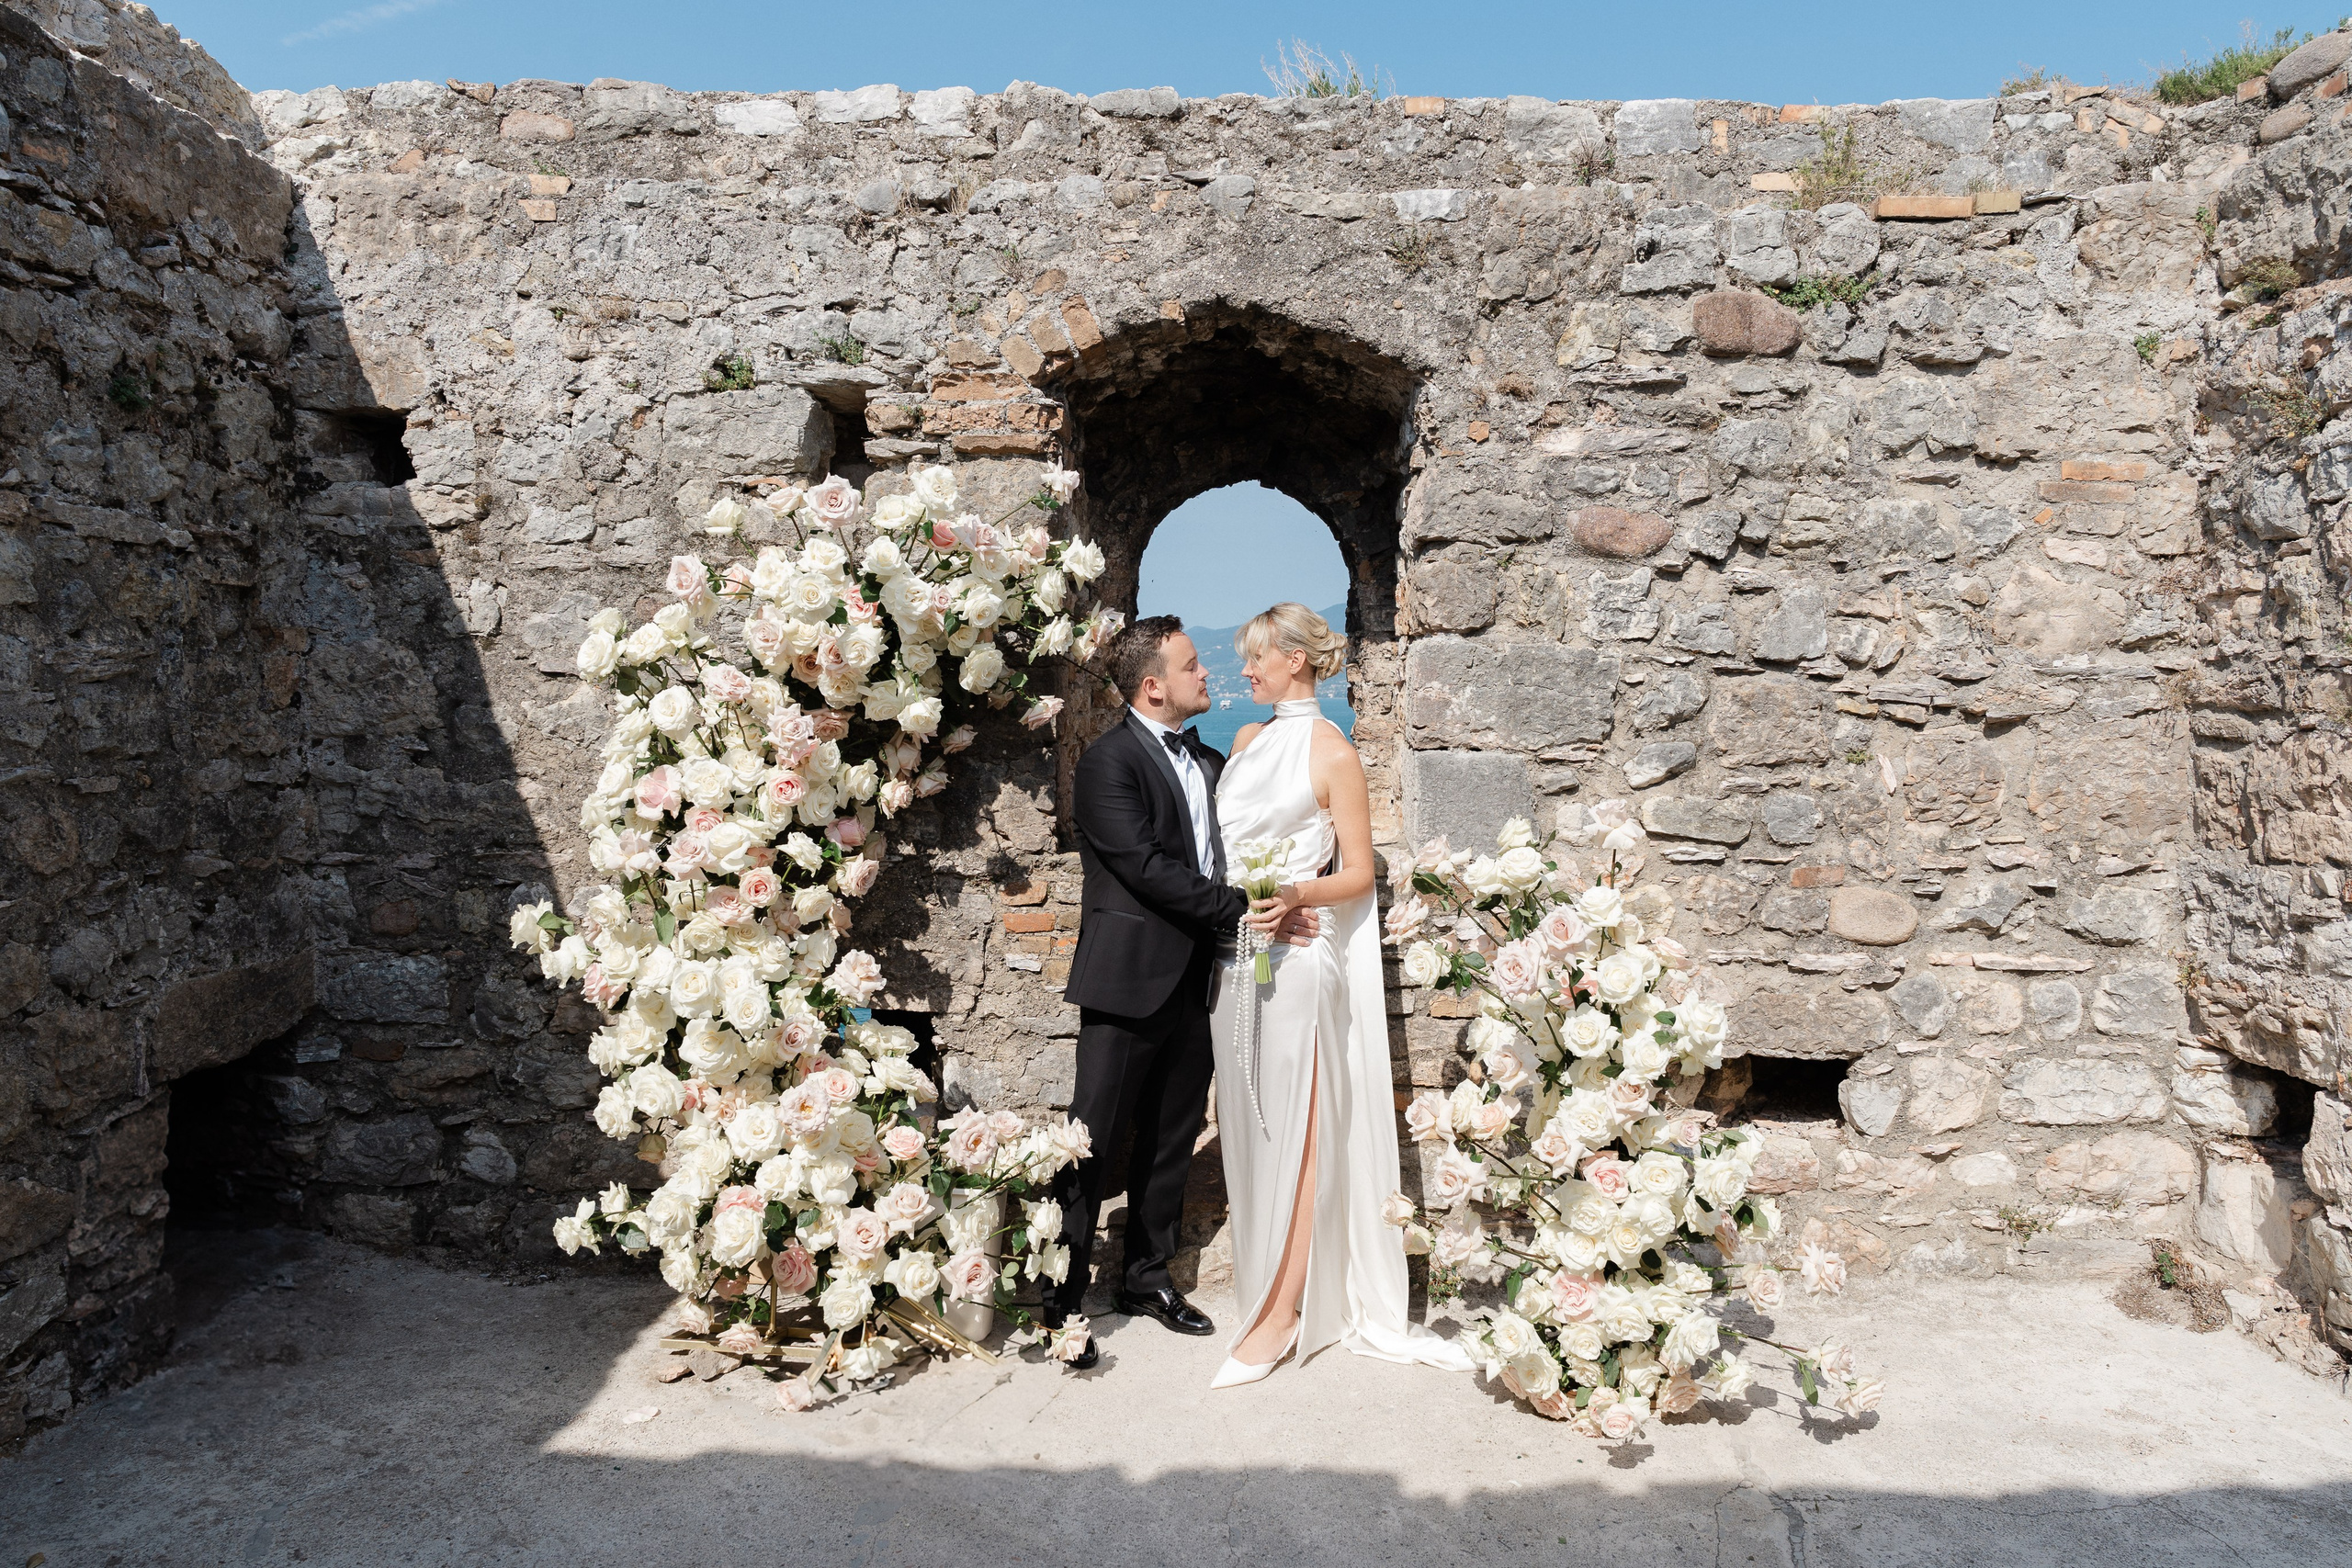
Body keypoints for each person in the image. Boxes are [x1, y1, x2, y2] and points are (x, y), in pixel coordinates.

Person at [1205, 603, 1473, 1388]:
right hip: (1237, 956)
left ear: (1296, 659)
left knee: (1305, 1125)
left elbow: (1359, 872)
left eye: (1255, 657)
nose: (1245, 670)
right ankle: (1265, 1285)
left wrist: (1293, 890)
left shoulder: (1334, 752)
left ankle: (1285, 1311)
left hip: (1297, 957)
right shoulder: (1248, 741)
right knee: (1251, 1120)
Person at [1050, 615, 1317, 1370]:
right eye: (1195, 665)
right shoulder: (1108, 764)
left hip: (1200, 979)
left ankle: (1145, 1278)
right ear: (1153, 685)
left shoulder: (1206, 760)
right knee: (1092, 1138)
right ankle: (1062, 1298)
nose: (1208, 677)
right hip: (1127, 980)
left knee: (1170, 1140)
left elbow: (1236, 846)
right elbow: (1145, 868)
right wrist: (1246, 909)